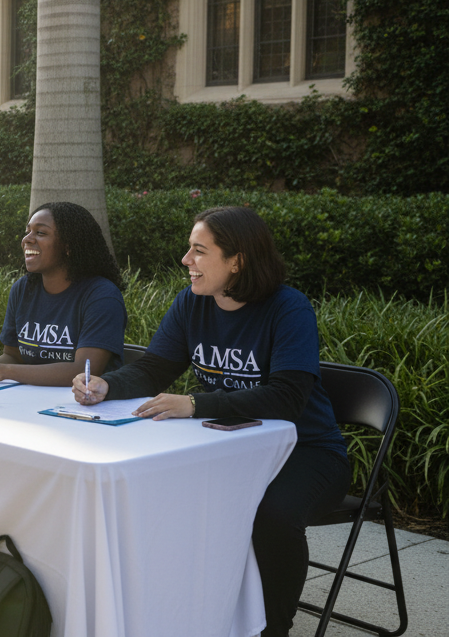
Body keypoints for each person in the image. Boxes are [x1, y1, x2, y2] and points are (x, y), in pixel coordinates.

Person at [72, 206, 349, 637]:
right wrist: (107, 386)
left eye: (199, 251)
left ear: (236, 260)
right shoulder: (191, 303)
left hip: (309, 452)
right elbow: (152, 370)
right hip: (228, 445)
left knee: (271, 516)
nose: (186, 260)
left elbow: (288, 398)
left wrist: (197, 404)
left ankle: (271, 629)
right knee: (167, 493)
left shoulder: (288, 308)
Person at [0, 202, 126, 385]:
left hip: (84, 405)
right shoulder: (23, 289)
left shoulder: (101, 296)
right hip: (29, 400)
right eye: (28, 231)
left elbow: (83, 371)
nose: (27, 239)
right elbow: (14, 357)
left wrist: (3, 370)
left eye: (40, 233)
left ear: (68, 246)